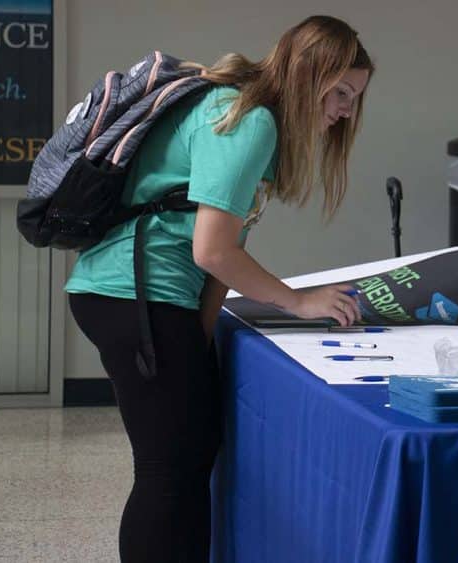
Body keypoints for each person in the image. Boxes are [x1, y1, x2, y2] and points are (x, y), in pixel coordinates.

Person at [65, 16, 373, 561]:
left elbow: (214, 260)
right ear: (308, 76)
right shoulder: (250, 121)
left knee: (187, 459)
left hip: (149, 298)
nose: (348, 109)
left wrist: (198, 342)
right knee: (167, 470)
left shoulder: (253, 119)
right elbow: (212, 250)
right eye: (342, 91)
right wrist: (299, 301)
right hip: (132, 295)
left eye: (355, 97)